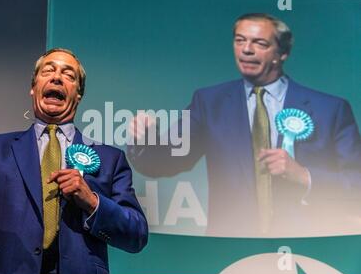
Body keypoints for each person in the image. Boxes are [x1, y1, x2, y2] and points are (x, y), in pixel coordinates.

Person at [0, 48, 148, 274]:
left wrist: (92, 201)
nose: (57, 77)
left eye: (68, 75)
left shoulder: (110, 159)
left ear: (78, 94)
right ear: (33, 88)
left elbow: (136, 234)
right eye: (48, 70)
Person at [128, 13, 361, 237]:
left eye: (259, 43)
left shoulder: (331, 109)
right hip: (231, 249)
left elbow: (356, 183)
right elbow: (166, 162)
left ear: (282, 52)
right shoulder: (209, 102)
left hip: (310, 245)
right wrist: (145, 141)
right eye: (240, 40)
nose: (246, 49)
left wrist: (304, 176)